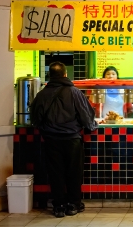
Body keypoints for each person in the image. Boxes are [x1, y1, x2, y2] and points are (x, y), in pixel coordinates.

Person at [31, 62, 98, 218]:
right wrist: (92, 126)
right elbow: (86, 116)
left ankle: (59, 206)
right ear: (65, 74)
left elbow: (35, 119)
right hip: (72, 140)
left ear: (50, 76)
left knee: (56, 173)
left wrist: (47, 131)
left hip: (51, 141)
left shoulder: (41, 94)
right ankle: (74, 204)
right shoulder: (74, 92)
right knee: (74, 172)